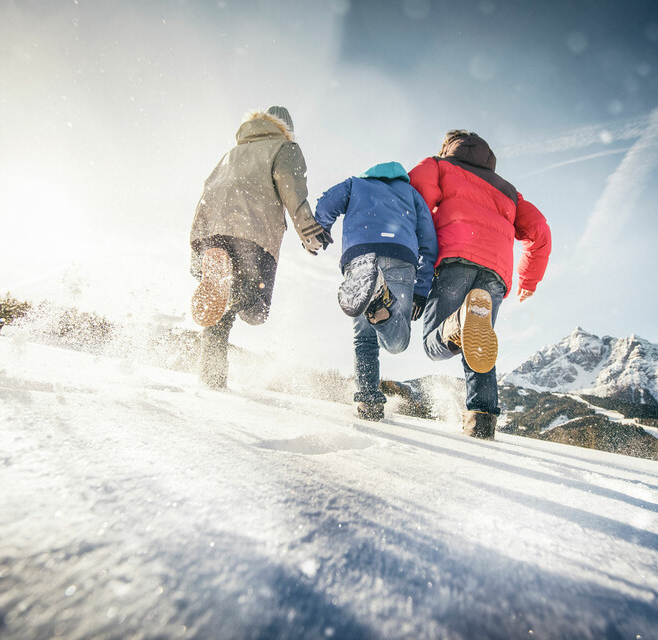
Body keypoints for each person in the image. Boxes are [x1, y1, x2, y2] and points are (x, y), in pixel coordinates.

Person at [409, 130, 551, 439]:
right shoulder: (510, 191)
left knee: (435, 345)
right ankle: (482, 419)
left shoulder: (439, 165)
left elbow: (416, 196)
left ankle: (457, 323)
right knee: (479, 341)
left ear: (448, 148)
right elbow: (539, 228)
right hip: (496, 272)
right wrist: (530, 280)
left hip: (455, 258)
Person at [189, 106, 331, 388]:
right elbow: (291, 187)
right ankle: (235, 291)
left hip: (212, 231)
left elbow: (207, 191)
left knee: (217, 316)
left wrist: (198, 246)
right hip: (252, 232)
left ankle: (211, 382)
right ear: (286, 128)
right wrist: (309, 232)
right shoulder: (285, 147)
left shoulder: (231, 153)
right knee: (256, 311)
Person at [314, 161, 438, 421]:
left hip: (360, 258)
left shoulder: (355, 184)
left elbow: (326, 204)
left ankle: (368, 403)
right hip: (400, 258)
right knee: (397, 344)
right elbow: (429, 242)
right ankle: (382, 302)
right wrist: (421, 290)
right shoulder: (411, 194)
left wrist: (322, 228)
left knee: (364, 339)